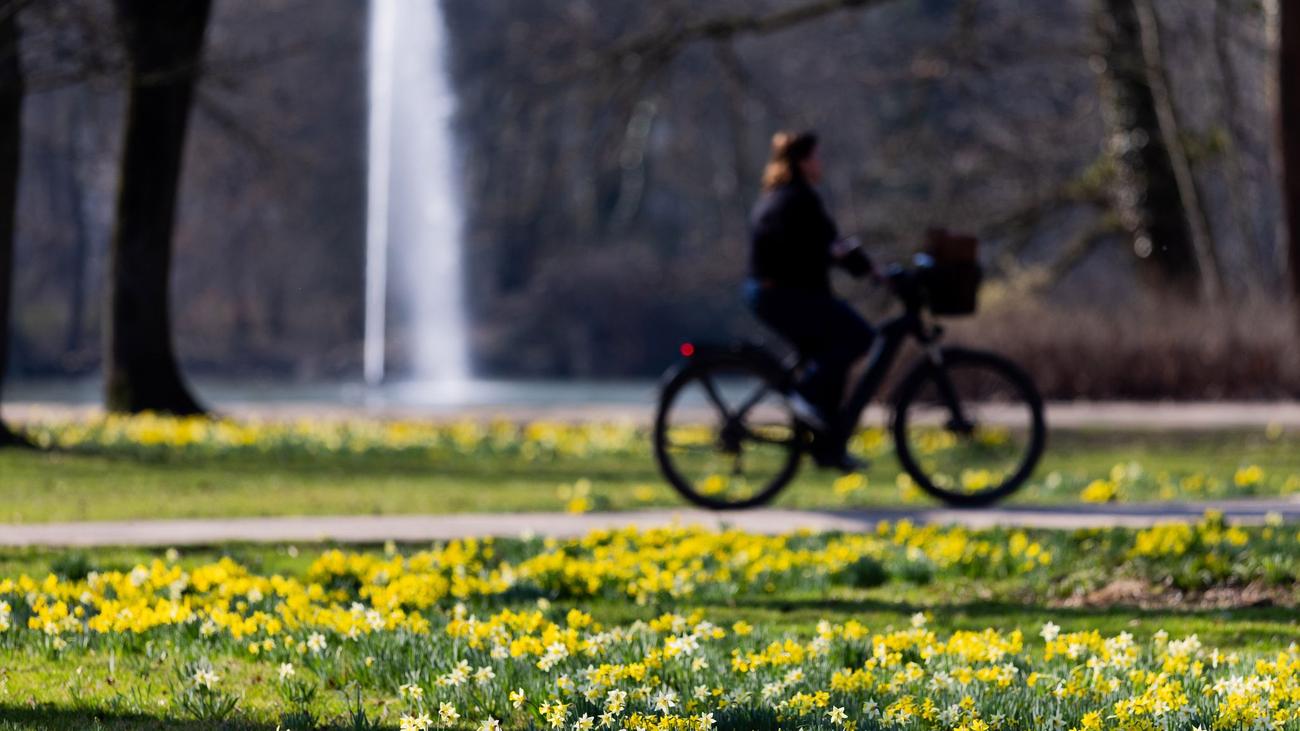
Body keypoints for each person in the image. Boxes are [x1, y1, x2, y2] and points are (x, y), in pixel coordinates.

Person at [744, 130, 876, 472]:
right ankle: (806, 395)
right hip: (783, 295)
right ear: (803, 162)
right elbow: (824, 246)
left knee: (831, 349)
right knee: (858, 335)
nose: (821, 163)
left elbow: (826, 246)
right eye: (817, 156)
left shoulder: (782, 196)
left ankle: (827, 444)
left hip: (772, 293)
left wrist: (860, 266)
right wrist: (869, 270)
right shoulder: (798, 199)